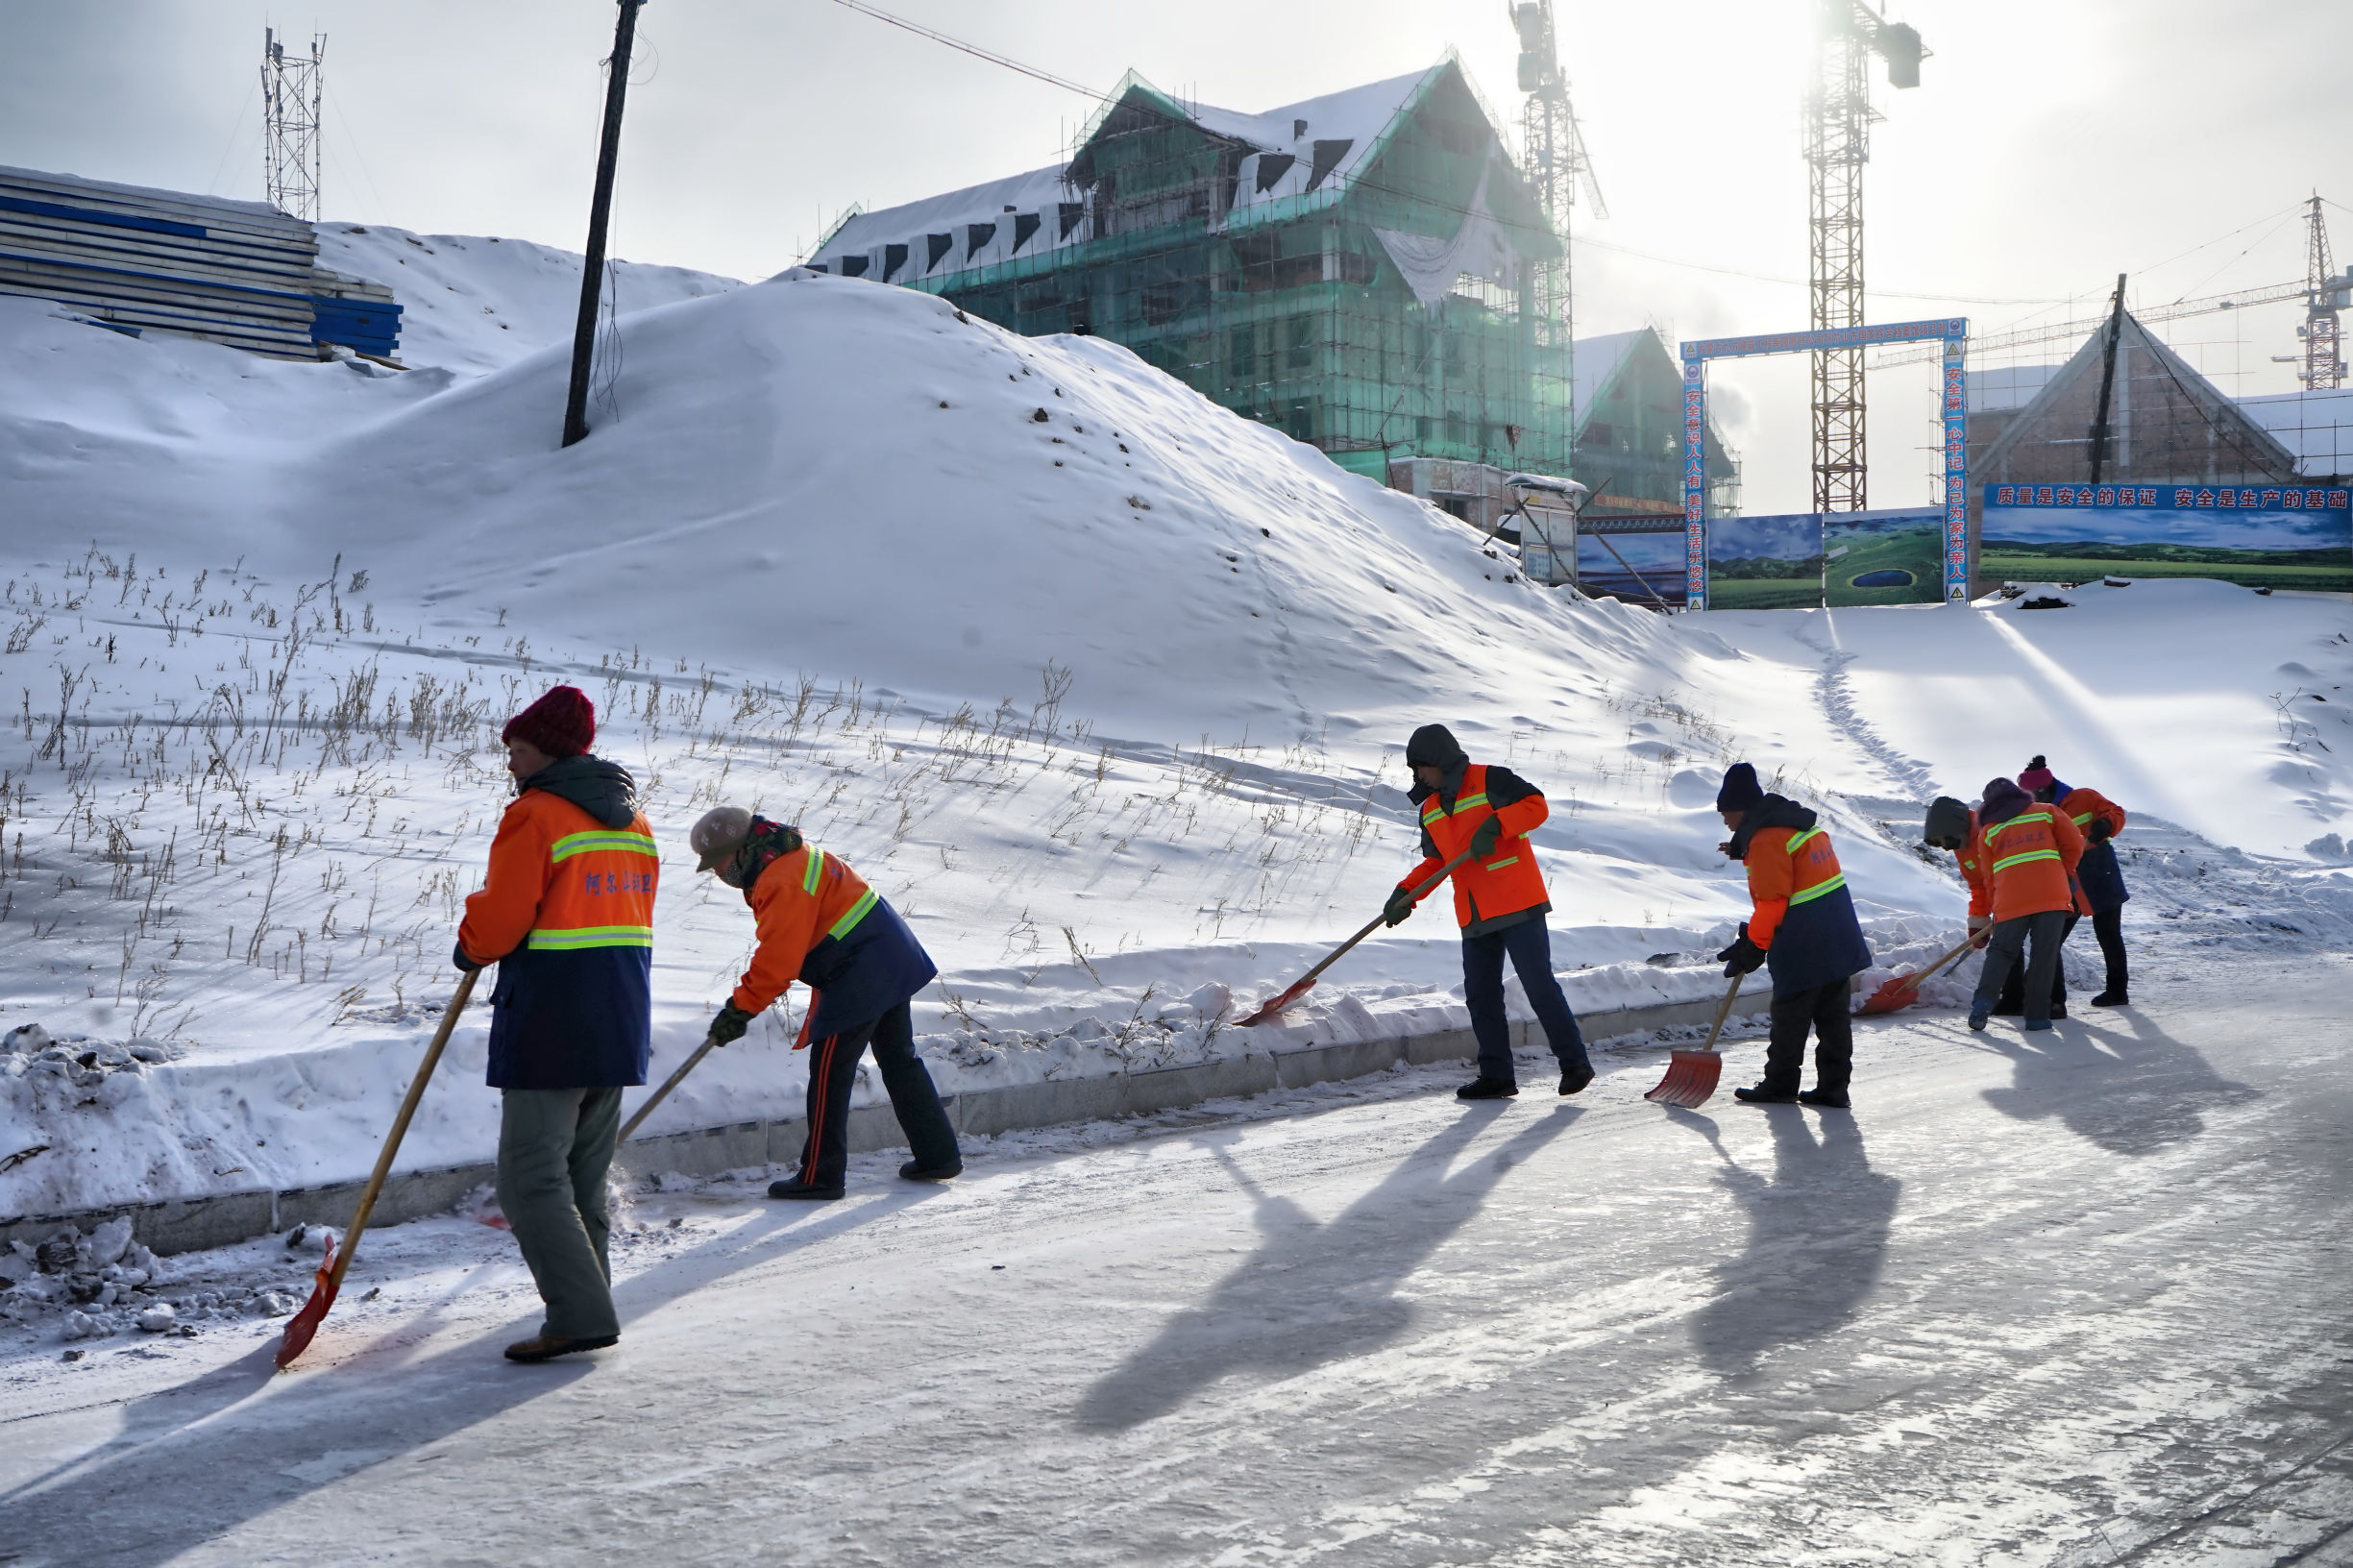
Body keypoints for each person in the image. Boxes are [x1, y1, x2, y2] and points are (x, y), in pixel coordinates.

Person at [454, 685, 656, 1363]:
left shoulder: (536, 815)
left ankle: (581, 1314)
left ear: (545, 747)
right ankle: (585, 1304)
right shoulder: (634, 822)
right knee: (579, 1178)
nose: (508, 760)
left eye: (515, 746)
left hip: (552, 1017)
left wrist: (472, 940)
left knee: (529, 1180)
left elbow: (505, 916)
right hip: (620, 1015)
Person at [688, 806, 960, 1200]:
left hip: (860, 968)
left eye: (718, 862)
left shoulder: (779, 878)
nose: (717, 873)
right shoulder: (788, 854)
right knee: (899, 1058)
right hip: (886, 952)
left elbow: (778, 961)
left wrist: (740, 1009)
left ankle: (821, 1175)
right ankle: (938, 1155)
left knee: (831, 1071)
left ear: (741, 850)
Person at [1382, 723, 1594, 1101]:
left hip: (1517, 901)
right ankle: (1497, 1076)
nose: (1417, 776)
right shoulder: (1430, 809)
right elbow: (1437, 862)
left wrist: (1498, 823)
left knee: (1538, 985)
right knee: (1481, 996)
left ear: (1439, 760)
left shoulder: (1489, 780)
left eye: (1420, 767)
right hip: (1474, 912)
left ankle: (1575, 1063)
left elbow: (1535, 806)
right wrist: (1406, 893)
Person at [1712, 763, 1874, 1109]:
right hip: (1837, 932)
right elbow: (1794, 873)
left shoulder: (1767, 839)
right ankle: (1834, 1088)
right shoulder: (1796, 828)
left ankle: (1780, 1083)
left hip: (1804, 939)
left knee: (1790, 1014)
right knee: (1833, 1017)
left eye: (1726, 814)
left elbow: (1772, 901)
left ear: (1741, 810)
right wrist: (1743, 846)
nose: (1725, 821)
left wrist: (1754, 946)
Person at [1960, 774, 2084, 1034]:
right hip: (2050, 895)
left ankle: (1982, 1002)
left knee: (2001, 953)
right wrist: (2065, 872)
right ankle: (2037, 1017)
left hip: (2010, 899)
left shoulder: (1989, 831)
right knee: (2043, 955)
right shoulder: (2047, 812)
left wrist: (1997, 909)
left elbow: (1989, 876)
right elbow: (2074, 842)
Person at [2011, 756, 2132, 1009]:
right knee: (2051, 938)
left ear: (2045, 788)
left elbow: (2116, 812)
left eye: (2033, 795)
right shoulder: (2035, 813)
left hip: (2099, 875)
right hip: (2065, 884)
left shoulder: (2084, 798)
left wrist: (2104, 824)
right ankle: (2049, 997)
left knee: (2108, 934)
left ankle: (2117, 991)